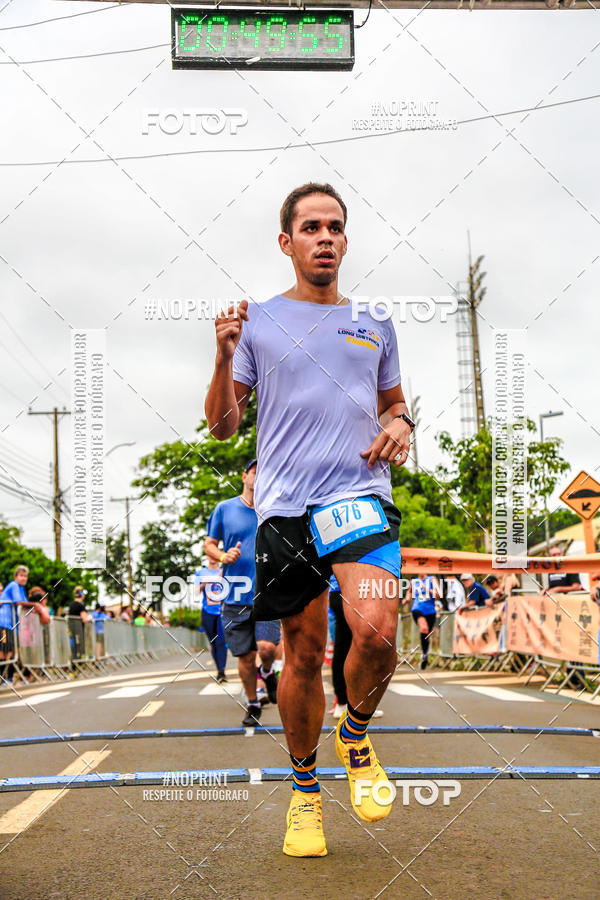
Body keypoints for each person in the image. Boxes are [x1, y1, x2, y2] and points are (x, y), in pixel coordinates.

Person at [205, 182, 411, 857]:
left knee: (377, 633)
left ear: (345, 240)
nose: (325, 237)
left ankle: (354, 733)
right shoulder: (258, 321)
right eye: (311, 227)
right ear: (287, 241)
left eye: (336, 227)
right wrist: (223, 354)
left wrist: (401, 425)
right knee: (303, 652)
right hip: (287, 508)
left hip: (359, 495)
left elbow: (395, 406)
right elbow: (221, 427)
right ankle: (304, 794)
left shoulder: (375, 320)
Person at [204, 459, 281, 727]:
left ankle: (268, 671)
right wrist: (223, 556)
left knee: (267, 647)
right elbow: (209, 545)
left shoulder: (273, 509)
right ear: (244, 477)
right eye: (255, 473)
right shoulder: (224, 509)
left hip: (267, 592)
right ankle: (252, 704)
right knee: (245, 657)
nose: (259, 479)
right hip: (235, 595)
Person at [328, 574, 384, 718]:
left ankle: (352, 703)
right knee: (353, 648)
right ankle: (345, 702)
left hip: (356, 589)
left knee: (354, 647)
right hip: (346, 589)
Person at [0, 566, 43, 681]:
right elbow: (19, 602)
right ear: (16, 577)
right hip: (4, 622)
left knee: (10, 650)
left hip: (12, 624)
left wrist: (34, 607)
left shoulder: (20, 589)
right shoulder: (14, 585)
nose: (24, 578)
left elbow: (24, 604)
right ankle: (5, 678)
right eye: (21, 576)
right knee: (4, 651)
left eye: (25, 576)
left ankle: (7, 677)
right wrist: (35, 605)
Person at [194, 560, 228, 683]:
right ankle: (219, 669)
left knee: (221, 642)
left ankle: (222, 672)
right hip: (207, 612)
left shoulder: (224, 570)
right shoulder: (200, 572)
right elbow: (196, 592)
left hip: (222, 612)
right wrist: (204, 583)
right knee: (213, 643)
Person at [402, 573, 441, 669]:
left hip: (430, 611)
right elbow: (409, 592)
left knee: (427, 635)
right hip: (417, 609)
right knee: (424, 629)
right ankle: (424, 654)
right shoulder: (413, 581)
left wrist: (426, 588)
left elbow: (439, 594)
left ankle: (424, 654)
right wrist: (407, 599)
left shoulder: (432, 579)